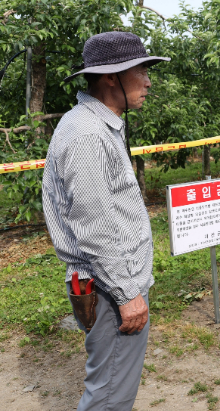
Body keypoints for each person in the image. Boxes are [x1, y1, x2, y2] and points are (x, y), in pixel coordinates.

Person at [42, 31, 169, 411]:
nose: (148, 81)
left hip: (109, 282)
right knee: (110, 396)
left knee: (109, 386)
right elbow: (94, 227)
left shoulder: (95, 124)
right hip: (111, 287)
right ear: (111, 76)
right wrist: (127, 293)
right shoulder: (88, 135)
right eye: (142, 71)